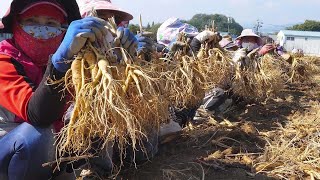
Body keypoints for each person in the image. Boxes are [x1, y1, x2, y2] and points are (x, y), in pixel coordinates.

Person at [0, 0, 136, 179]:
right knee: (35, 136)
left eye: (51, 23)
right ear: (16, 26)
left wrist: (123, 58)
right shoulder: (4, 60)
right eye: (32, 21)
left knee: (96, 110)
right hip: (11, 150)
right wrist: (58, 65)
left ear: (62, 28)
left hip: (53, 150)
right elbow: (38, 114)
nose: (42, 30)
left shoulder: (76, 59)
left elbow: (106, 99)